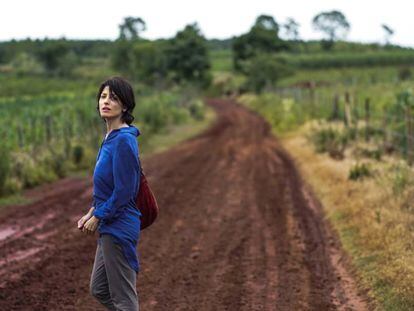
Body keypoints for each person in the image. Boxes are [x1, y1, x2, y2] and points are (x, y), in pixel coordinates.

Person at [77, 76, 142, 310]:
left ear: (124, 105)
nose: (106, 102)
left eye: (113, 98)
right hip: (109, 221)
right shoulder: (110, 137)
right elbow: (108, 187)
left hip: (119, 225)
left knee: (124, 299)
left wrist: (98, 216)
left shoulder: (124, 141)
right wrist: (91, 212)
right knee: (100, 289)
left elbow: (125, 191)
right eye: (103, 96)